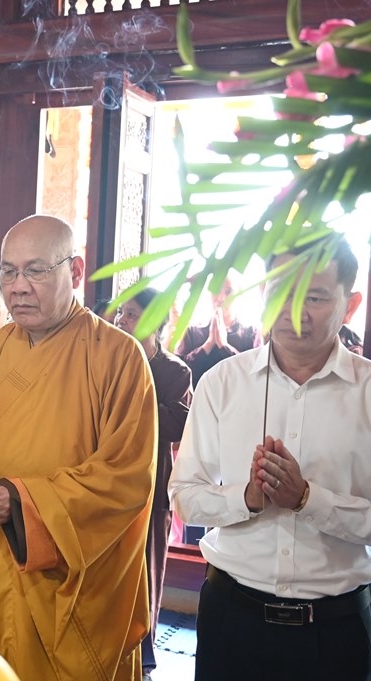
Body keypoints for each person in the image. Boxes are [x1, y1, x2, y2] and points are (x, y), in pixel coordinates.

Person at [0, 214, 157, 681]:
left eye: (36, 271)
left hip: (70, 588)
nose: (18, 287)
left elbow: (126, 479)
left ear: (76, 271)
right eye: (8, 272)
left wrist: (21, 502)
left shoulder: (119, 358)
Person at [169, 237, 371, 681]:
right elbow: (184, 497)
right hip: (232, 619)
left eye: (315, 297)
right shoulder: (222, 383)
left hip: (336, 630)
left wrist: (307, 499)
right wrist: (246, 498)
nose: (294, 311)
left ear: (350, 304)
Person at [114, 288, 192, 680]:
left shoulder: (174, 371)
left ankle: (142, 659)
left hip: (150, 487)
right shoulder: (107, 361)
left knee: (146, 570)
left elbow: (178, 424)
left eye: (131, 314)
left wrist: (127, 409)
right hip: (106, 485)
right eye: (121, 313)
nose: (121, 321)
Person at [177, 275, 262, 386]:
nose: (221, 298)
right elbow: (178, 374)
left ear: (239, 293)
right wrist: (208, 345)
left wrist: (224, 346)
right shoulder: (192, 332)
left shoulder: (251, 333)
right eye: (216, 290)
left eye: (228, 292)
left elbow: (255, 375)